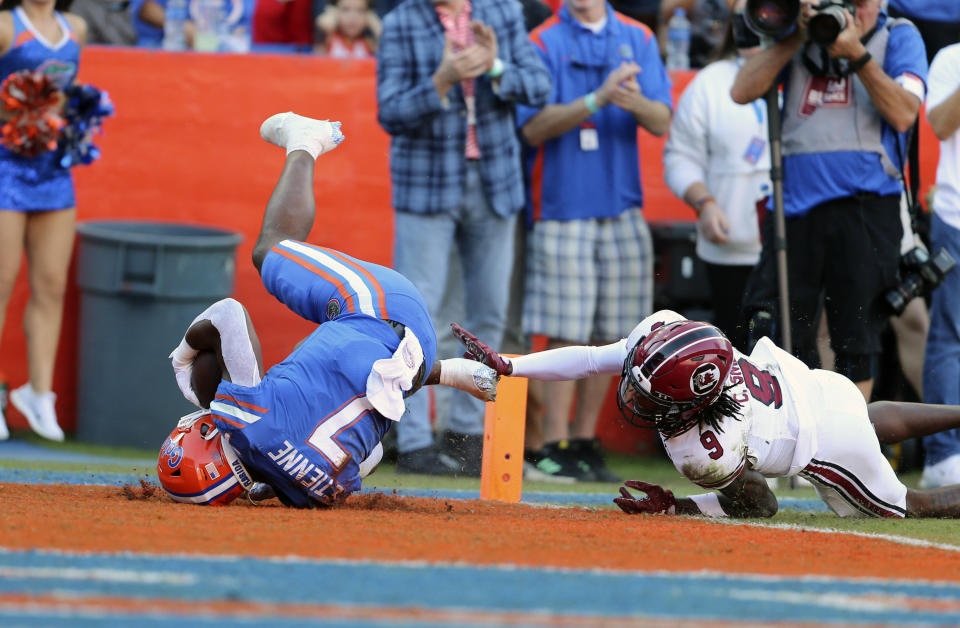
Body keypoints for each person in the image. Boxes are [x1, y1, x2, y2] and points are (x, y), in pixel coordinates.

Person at [156, 113, 499, 508]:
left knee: (328, 374)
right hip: (382, 305)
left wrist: (276, 477)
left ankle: (450, 371)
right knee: (271, 249)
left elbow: (372, 454)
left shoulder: (314, 495)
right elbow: (228, 314)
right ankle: (306, 141)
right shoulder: (245, 422)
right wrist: (184, 354)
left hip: (412, 359)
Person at [453, 310, 960, 518]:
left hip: (827, 441)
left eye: (652, 396)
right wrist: (510, 365)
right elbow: (589, 358)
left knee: (911, 505)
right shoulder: (669, 337)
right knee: (865, 413)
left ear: (691, 403)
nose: (635, 395)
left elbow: (761, 506)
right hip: (816, 386)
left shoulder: (702, 446)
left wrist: (680, 506)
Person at [375, 0, 551, 476]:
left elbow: (540, 86)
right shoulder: (400, 22)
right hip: (425, 183)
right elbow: (389, 112)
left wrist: (495, 66)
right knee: (414, 312)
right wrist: (442, 79)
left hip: (494, 182)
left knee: (490, 312)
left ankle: (470, 438)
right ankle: (412, 442)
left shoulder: (504, 12)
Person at [731, 0, 928, 402]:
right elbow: (742, 90)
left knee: (858, 339)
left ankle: (844, 452)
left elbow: (905, 113)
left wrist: (856, 54)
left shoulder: (899, 36)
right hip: (794, 209)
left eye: (862, 3)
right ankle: (782, 446)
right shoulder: (799, 36)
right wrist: (798, 38)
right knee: (778, 331)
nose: (853, 12)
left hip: (867, 206)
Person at [515, 0, 671, 483]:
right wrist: (596, 99)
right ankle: (553, 444)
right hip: (562, 205)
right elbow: (532, 127)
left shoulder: (639, 37)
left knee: (619, 335)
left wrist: (628, 101)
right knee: (565, 329)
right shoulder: (542, 40)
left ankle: (583, 442)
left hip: (623, 205)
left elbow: (661, 120)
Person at [0, 0, 87, 441]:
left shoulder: (75, 28)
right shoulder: (4, 25)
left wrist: (77, 116)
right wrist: (15, 112)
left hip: (53, 169)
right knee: (2, 278)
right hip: (4, 166)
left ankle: (38, 393)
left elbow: (69, 96)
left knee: (51, 282)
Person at [663, 1, 769, 352]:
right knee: (736, 352)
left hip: (796, 247)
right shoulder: (710, 82)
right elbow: (680, 156)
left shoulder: (802, 74)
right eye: (743, 16)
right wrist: (704, 203)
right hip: (731, 250)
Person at [918, 43, 960, 489]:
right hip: (956, 216)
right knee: (951, 337)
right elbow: (941, 124)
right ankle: (945, 456)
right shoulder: (951, 58)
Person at [314, 0, 380, 57]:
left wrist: (373, 22)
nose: (353, 17)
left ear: (369, 15)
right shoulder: (328, 40)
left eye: (360, 10)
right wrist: (331, 15)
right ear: (334, 12)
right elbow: (323, 24)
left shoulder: (369, 44)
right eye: (346, 9)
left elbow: (382, 36)